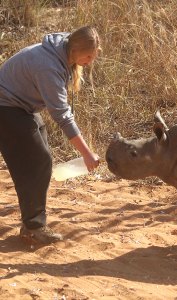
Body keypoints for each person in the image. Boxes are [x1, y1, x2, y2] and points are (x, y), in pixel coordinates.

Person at [0, 25, 101, 244]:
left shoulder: (64, 48)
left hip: (21, 107)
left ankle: (31, 223)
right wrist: (86, 153)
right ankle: (34, 227)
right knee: (38, 162)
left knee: (40, 161)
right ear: (76, 50)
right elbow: (62, 116)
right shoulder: (48, 67)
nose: (90, 60)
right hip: (6, 107)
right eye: (88, 56)